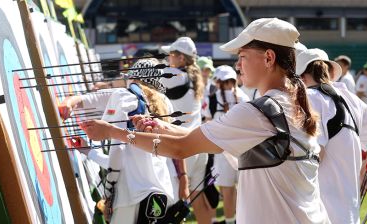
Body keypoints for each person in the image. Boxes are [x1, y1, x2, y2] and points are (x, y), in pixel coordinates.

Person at [80, 18, 331, 224]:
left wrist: (113, 132)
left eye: (242, 56)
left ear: (268, 58)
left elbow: (182, 148)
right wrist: (162, 126)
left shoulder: (259, 112)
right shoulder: (290, 103)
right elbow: (206, 138)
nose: (238, 64)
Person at [60, 59, 180, 223]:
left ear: (133, 78)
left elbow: (118, 152)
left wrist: (110, 188)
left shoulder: (125, 96)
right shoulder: (165, 105)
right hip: (159, 196)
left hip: (130, 198)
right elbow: (128, 161)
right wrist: (90, 152)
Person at [296, 48, 367, 224]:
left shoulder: (309, 98)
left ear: (301, 77)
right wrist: (364, 171)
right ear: (330, 73)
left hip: (319, 212)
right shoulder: (352, 99)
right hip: (349, 212)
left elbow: (317, 154)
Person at [160, 37, 212, 223]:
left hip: (183, 149)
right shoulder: (194, 76)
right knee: (199, 201)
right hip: (199, 147)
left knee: (173, 206)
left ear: (182, 58)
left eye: (171, 55)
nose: (168, 59)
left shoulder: (175, 76)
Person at [209, 65, 249, 224]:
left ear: (218, 81)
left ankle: (230, 221)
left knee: (227, 192)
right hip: (244, 151)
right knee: (244, 192)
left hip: (222, 151)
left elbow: (207, 121)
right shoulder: (244, 97)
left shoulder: (213, 97)